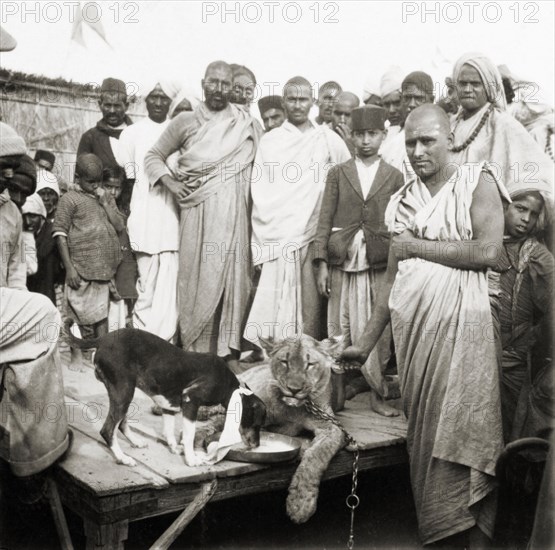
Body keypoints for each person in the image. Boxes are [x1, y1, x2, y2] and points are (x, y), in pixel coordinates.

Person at [342, 105, 507, 546]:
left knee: (467, 433)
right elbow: (392, 280)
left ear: (450, 139)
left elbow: (489, 252)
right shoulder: (401, 199)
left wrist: (417, 245)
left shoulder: (478, 181)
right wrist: (366, 343)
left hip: (465, 331)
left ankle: (477, 540)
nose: (417, 151)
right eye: (410, 142)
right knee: (426, 437)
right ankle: (439, 531)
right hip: (416, 339)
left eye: (427, 140)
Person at [144, 61, 260, 371]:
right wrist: (171, 182)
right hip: (198, 214)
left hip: (237, 217)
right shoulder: (185, 121)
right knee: (197, 280)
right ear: (203, 83)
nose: (220, 89)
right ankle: (193, 354)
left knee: (235, 281)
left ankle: (226, 356)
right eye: (214, 82)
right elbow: (153, 156)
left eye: (226, 84)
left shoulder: (246, 124)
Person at [245, 76, 350, 347]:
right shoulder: (271, 141)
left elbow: (347, 179)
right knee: (275, 316)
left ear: (313, 102)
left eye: (303, 99)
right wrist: (273, 233)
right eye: (291, 99)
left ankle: (309, 361)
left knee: (311, 308)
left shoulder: (327, 139)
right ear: (284, 101)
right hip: (280, 235)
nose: (297, 105)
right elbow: (262, 192)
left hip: (315, 235)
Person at [313, 105, 403, 416]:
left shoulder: (394, 176)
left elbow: (398, 223)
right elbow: (324, 220)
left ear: (383, 135)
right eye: (360, 134)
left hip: (377, 265)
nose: (365, 140)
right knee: (338, 328)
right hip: (343, 263)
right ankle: (335, 395)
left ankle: (378, 394)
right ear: (351, 136)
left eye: (372, 134)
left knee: (376, 332)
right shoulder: (338, 173)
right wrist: (321, 263)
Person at [116, 81, 179, 341]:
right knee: (146, 285)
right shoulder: (131, 134)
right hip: (144, 216)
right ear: (145, 99)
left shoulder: (179, 131)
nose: (157, 102)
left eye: (164, 97)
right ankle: (143, 343)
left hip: (173, 218)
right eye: (153, 96)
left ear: (171, 101)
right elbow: (130, 179)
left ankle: (167, 344)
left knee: (170, 288)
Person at [491, 189, 553, 441]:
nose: (526, 218)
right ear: (504, 205)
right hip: (476, 352)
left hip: (513, 361)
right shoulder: (482, 243)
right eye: (520, 208)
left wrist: (528, 342)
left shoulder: (537, 256)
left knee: (512, 430)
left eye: (533, 213)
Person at [450, 52, 553, 198]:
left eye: (475, 84)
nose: (467, 89)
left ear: (489, 87)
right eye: (462, 83)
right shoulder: (450, 124)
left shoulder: (504, 124)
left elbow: (543, 172)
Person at [53, 154, 122, 371]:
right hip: (79, 268)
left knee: (101, 316)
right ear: (77, 177)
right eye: (90, 182)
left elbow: (119, 226)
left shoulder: (105, 198)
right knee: (75, 313)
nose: (95, 186)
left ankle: (103, 359)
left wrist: (105, 202)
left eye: (98, 182)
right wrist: (70, 268)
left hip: (103, 268)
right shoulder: (69, 199)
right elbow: (60, 233)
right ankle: (76, 356)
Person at [102, 166, 139, 331]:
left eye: (117, 188)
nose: (112, 192)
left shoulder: (125, 208)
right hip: (105, 260)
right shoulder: (98, 205)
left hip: (124, 261)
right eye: (108, 187)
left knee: (122, 303)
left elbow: (121, 227)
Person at [380, 71, 435, 175]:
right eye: (407, 98)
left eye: (419, 98)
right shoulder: (395, 136)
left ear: (431, 100)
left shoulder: (437, 134)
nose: (412, 104)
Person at [23, 192, 63, 304]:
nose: (27, 222)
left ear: (42, 217)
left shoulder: (52, 234)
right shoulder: (21, 234)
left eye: (32, 216)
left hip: (47, 292)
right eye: (23, 216)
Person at [331, 91, 360, 155]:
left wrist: (351, 149)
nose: (342, 120)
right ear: (331, 113)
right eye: (338, 114)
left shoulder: (364, 139)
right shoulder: (320, 135)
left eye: (348, 115)